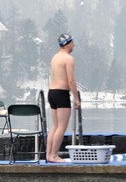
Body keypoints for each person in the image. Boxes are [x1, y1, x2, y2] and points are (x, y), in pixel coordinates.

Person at [46, 33, 81, 163]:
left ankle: (48, 155)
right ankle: (54, 155)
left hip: (52, 92)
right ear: (67, 44)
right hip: (61, 93)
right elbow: (71, 80)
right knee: (62, 126)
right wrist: (76, 98)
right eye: (72, 42)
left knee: (55, 126)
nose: (74, 44)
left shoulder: (55, 57)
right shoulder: (68, 59)